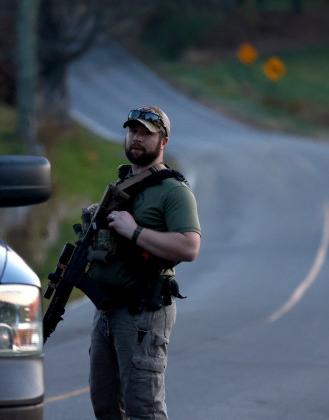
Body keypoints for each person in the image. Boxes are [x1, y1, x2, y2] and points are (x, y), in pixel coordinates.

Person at [87, 105, 201, 420]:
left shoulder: (173, 190)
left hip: (143, 314)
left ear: (162, 143)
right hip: (107, 311)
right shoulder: (122, 185)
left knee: (143, 410)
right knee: (106, 406)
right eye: (132, 131)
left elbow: (190, 246)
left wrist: (134, 231)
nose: (136, 138)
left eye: (146, 134)